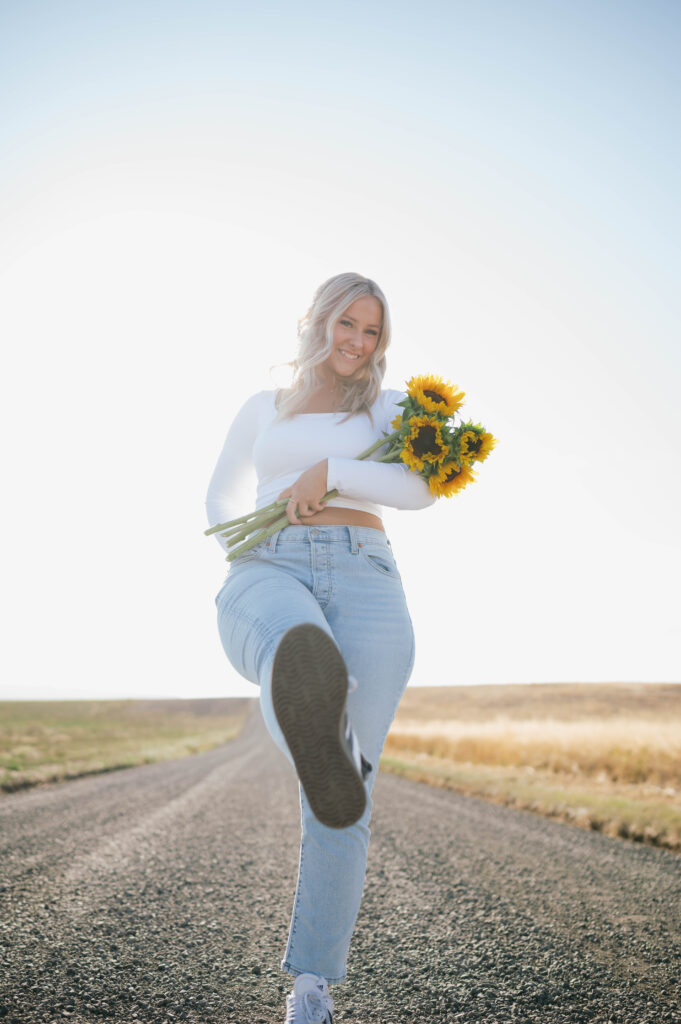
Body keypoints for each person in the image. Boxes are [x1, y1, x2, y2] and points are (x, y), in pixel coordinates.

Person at [205, 271, 434, 1023]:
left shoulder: (392, 408)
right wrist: (243, 545)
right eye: (348, 323)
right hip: (270, 564)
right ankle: (311, 719)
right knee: (294, 646)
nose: (357, 342)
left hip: (368, 578)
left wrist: (331, 471)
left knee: (344, 800)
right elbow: (220, 495)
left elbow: (420, 487)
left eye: (371, 332)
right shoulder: (260, 408)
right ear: (319, 319)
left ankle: (311, 988)